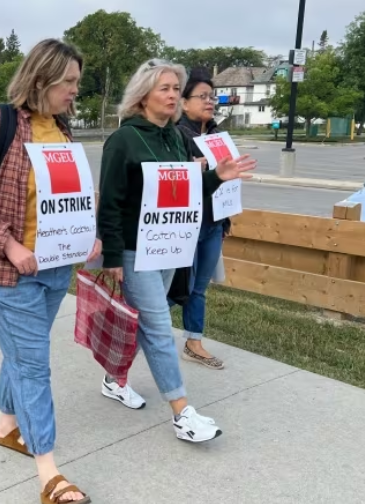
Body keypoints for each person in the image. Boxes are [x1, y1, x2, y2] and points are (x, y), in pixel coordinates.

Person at [0, 39, 96, 504]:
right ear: (41, 80)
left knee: (18, 353)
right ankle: (49, 473)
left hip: (56, 268)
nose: (76, 90)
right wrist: (9, 245)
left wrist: (85, 235)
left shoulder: (63, 130)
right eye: (70, 82)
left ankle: (5, 426)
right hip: (7, 272)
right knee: (33, 364)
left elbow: (65, 198)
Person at [96, 59, 256, 443]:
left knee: (146, 321)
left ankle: (114, 379)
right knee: (158, 327)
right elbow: (111, 204)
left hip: (170, 246)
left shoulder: (177, 139)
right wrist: (114, 258)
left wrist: (216, 177)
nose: (171, 95)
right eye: (164, 88)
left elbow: (184, 194)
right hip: (136, 250)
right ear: (143, 94)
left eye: (175, 88)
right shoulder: (124, 140)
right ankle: (182, 412)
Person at [172, 68, 230, 370]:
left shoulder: (218, 135)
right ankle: (132, 329)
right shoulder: (176, 135)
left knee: (199, 287)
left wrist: (226, 221)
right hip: (185, 224)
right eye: (202, 96)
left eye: (212, 96)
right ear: (184, 103)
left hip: (213, 222)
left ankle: (194, 342)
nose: (210, 101)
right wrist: (190, 165)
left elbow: (227, 182)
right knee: (174, 287)